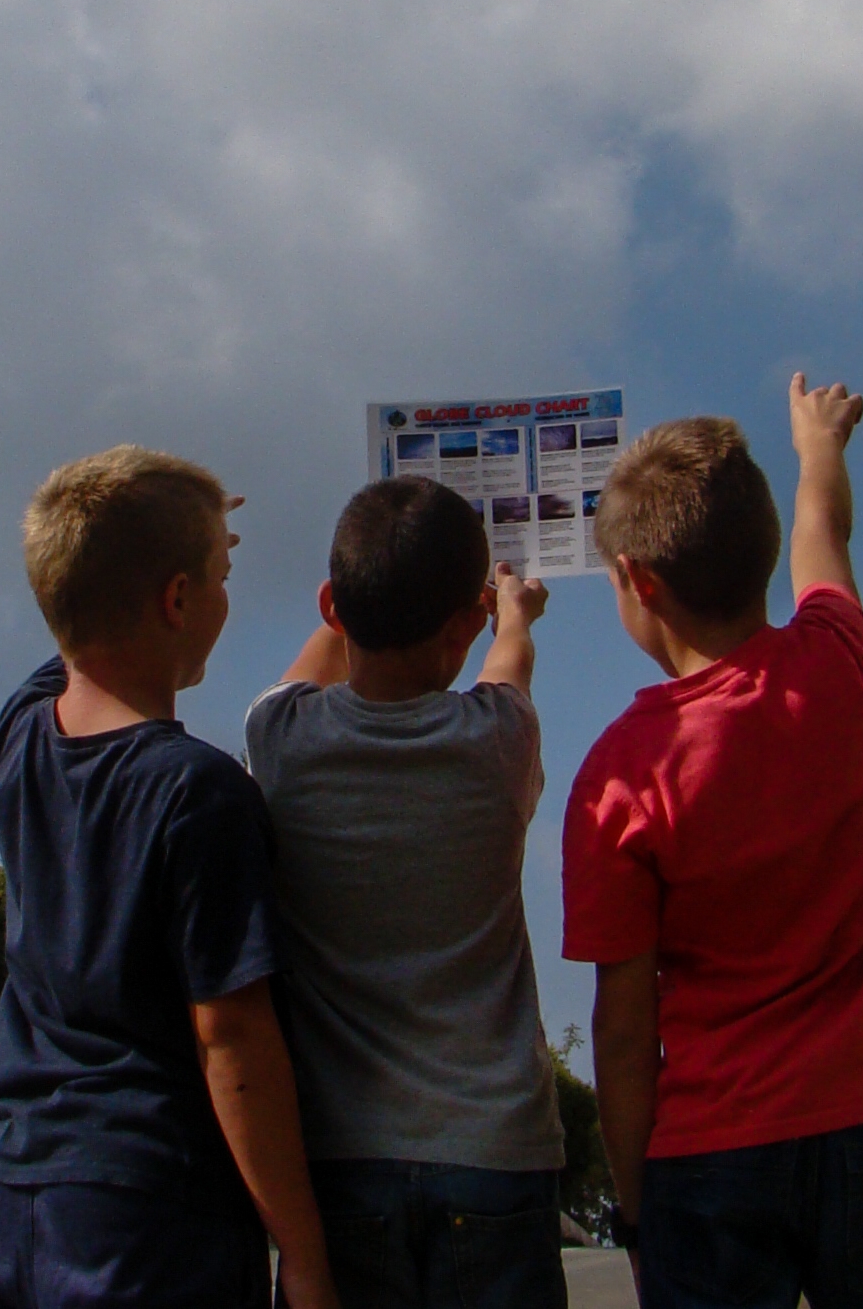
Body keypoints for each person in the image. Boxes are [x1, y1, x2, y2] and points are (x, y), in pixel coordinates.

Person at [562, 377, 863, 1309]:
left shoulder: (621, 776)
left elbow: (623, 1031)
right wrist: (818, 442)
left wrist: (633, 1202)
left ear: (637, 582)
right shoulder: (841, 663)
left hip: (714, 1148)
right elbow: (828, 533)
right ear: (764, 552)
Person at [0, 446, 338, 1309]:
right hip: (149, 1210)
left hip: (12, 1192)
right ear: (178, 600)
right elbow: (232, 1040)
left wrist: (175, 527)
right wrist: (304, 1252)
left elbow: (83, 598)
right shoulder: (198, 794)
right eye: (217, 575)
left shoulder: (19, 730)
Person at [245, 476, 567, 1309]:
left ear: (330, 605)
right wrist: (514, 612)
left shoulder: (278, 739)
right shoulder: (498, 742)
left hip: (338, 1161)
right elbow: (509, 666)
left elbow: (312, 664)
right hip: (494, 1153)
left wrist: (351, 609)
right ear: (466, 625)